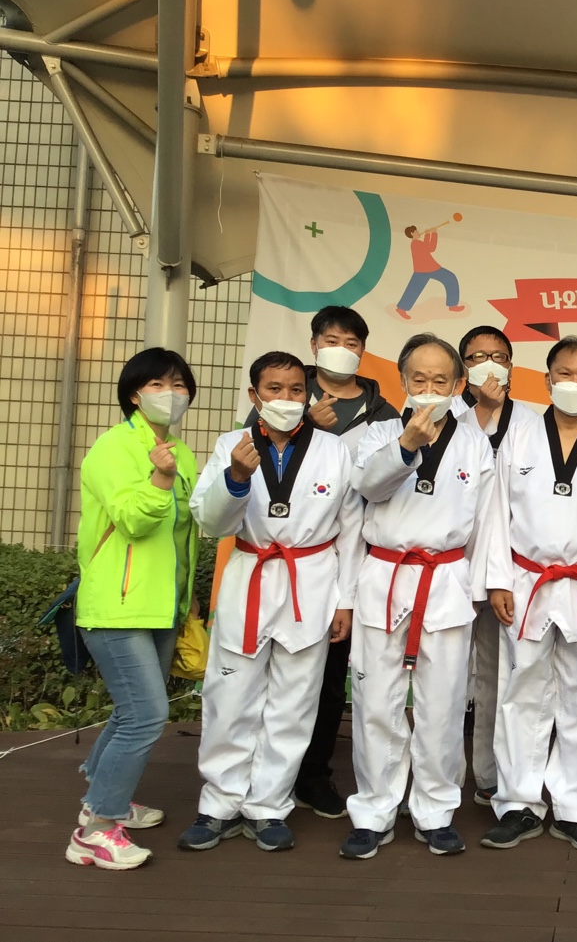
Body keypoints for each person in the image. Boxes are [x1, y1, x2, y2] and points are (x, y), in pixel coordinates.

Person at [181, 351, 363, 852]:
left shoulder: (333, 449)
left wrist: (345, 600)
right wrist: (236, 478)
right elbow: (210, 522)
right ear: (254, 395)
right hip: (252, 574)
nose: (286, 398)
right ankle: (219, 803)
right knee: (229, 698)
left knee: (294, 703)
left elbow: (351, 529)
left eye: (295, 389)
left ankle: (268, 805)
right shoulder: (231, 445)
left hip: (312, 581)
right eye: (274, 389)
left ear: (308, 395)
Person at [480, 336, 577, 853]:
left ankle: (574, 805)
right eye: (564, 374)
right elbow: (496, 512)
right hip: (526, 580)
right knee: (521, 691)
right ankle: (518, 803)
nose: (574, 383)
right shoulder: (519, 435)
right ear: (547, 379)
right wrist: (498, 579)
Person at [340, 334, 496, 860]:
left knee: (443, 703)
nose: (429, 388)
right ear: (403, 380)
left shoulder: (474, 443)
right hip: (385, 575)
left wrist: (483, 585)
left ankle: (435, 810)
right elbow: (368, 486)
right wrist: (406, 446)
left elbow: (487, 524)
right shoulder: (379, 434)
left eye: (439, 380)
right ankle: (374, 810)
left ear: (458, 384)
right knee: (375, 701)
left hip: (445, 578)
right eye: (419, 379)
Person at [245, 306, 400, 820]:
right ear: (314, 345)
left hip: (347, 555)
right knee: (264, 676)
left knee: (330, 677)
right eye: (331, 340)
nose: (341, 350)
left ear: (363, 350)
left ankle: (313, 774)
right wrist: (305, 424)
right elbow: (252, 459)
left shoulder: (385, 413)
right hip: (278, 558)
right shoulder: (286, 394)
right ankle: (254, 778)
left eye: (351, 343)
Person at [64, 349, 200, 870]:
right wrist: (160, 479)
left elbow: (185, 536)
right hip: (115, 608)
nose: (172, 393)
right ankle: (96, 829)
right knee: (146, 715)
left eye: (179, 384)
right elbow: (133, 521)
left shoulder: (181, 452)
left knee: (131, 712)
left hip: (161, 606)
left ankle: (102, 798)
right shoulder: (112, 447)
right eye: (159, 384)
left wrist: (186, 599)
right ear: (134, 394)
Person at [454, 325, 539, 808]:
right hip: (449, 563)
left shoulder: (532, 423)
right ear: (462, 367)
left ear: (511, 364)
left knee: (494, 674)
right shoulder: (444, 416)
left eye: (498, 355)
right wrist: (481, 411)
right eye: (476, 356)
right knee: (441, 677)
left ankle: (488, 773)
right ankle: (436, 776)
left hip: (507, 568)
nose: (488, 364)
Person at [395, 224, 463, 317]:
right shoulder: (416, 243)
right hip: (427, 269)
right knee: (450, 278)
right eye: (416, 231)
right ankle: (452, 305)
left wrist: (429, 234)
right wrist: (432, 234)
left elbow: (428, 248)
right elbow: (430, 248)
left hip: (427, 269)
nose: (418, 233)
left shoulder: (417, 243)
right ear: (412, 233)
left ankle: (452, 305)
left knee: (414, 288)